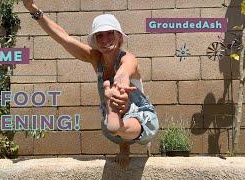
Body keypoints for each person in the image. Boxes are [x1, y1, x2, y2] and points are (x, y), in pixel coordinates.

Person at [23, 0, 159, 170]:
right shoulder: (96, 58)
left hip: (141, 117)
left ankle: (119, 123)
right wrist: (33, 10)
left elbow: (125, 71)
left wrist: (119, 86)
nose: (105, 39)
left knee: (127, 120)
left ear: (118, 36)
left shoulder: (127, 57)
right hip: (113, 119)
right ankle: (120, 132)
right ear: (95, 40)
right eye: (99, 35)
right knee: (115, 123)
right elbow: (63, 38)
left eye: (109, 33)